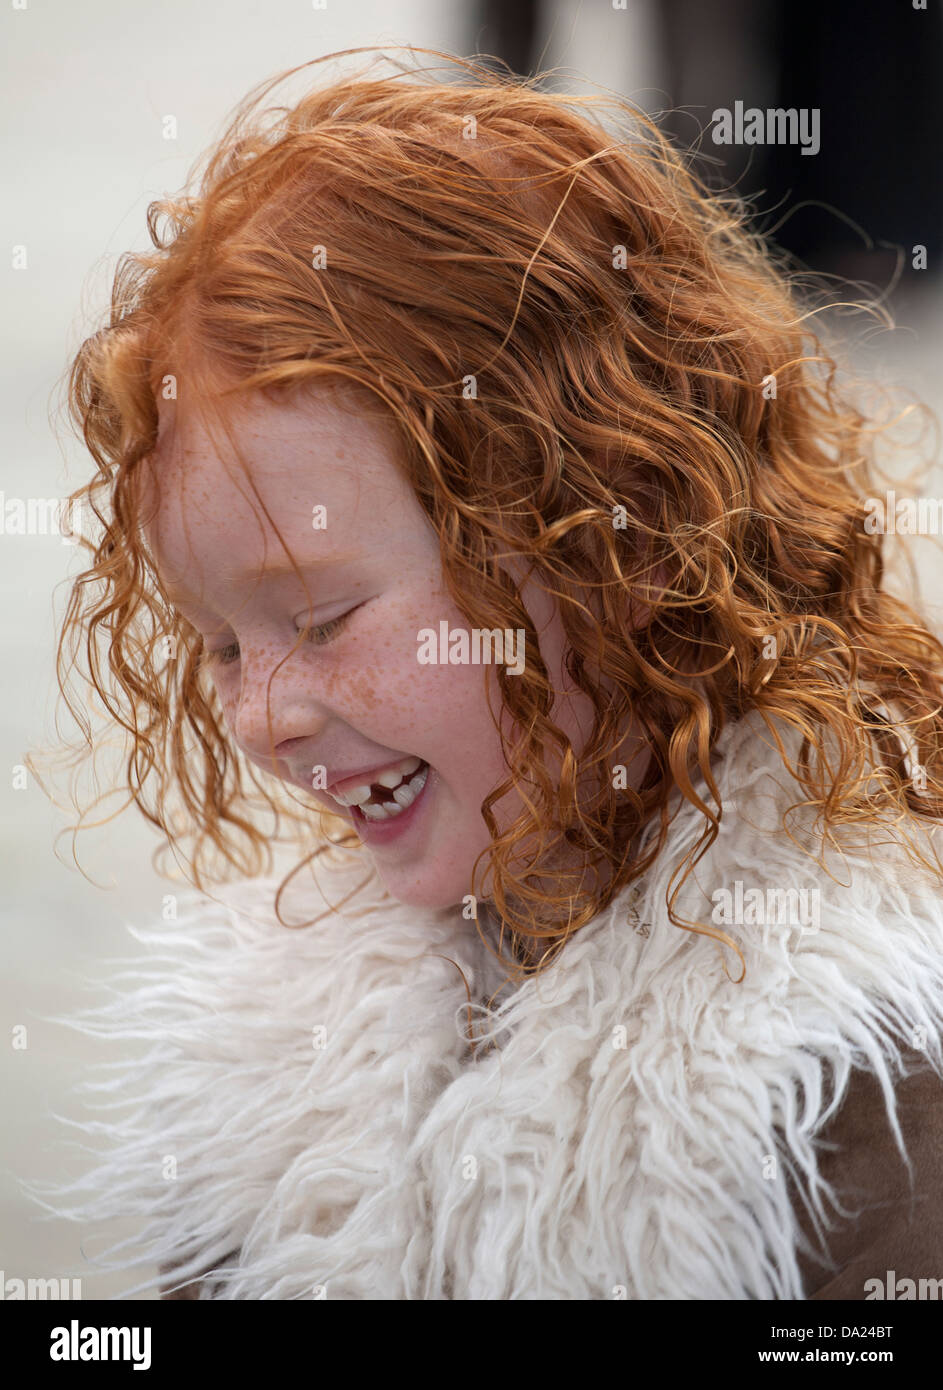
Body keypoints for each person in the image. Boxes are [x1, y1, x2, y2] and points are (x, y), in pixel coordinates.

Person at [29, 47, 943, 1300]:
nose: (260, 713)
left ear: (601, 538)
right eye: (220, 643)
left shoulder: (864, 1084)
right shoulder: (278, 1062)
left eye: (324, 614)